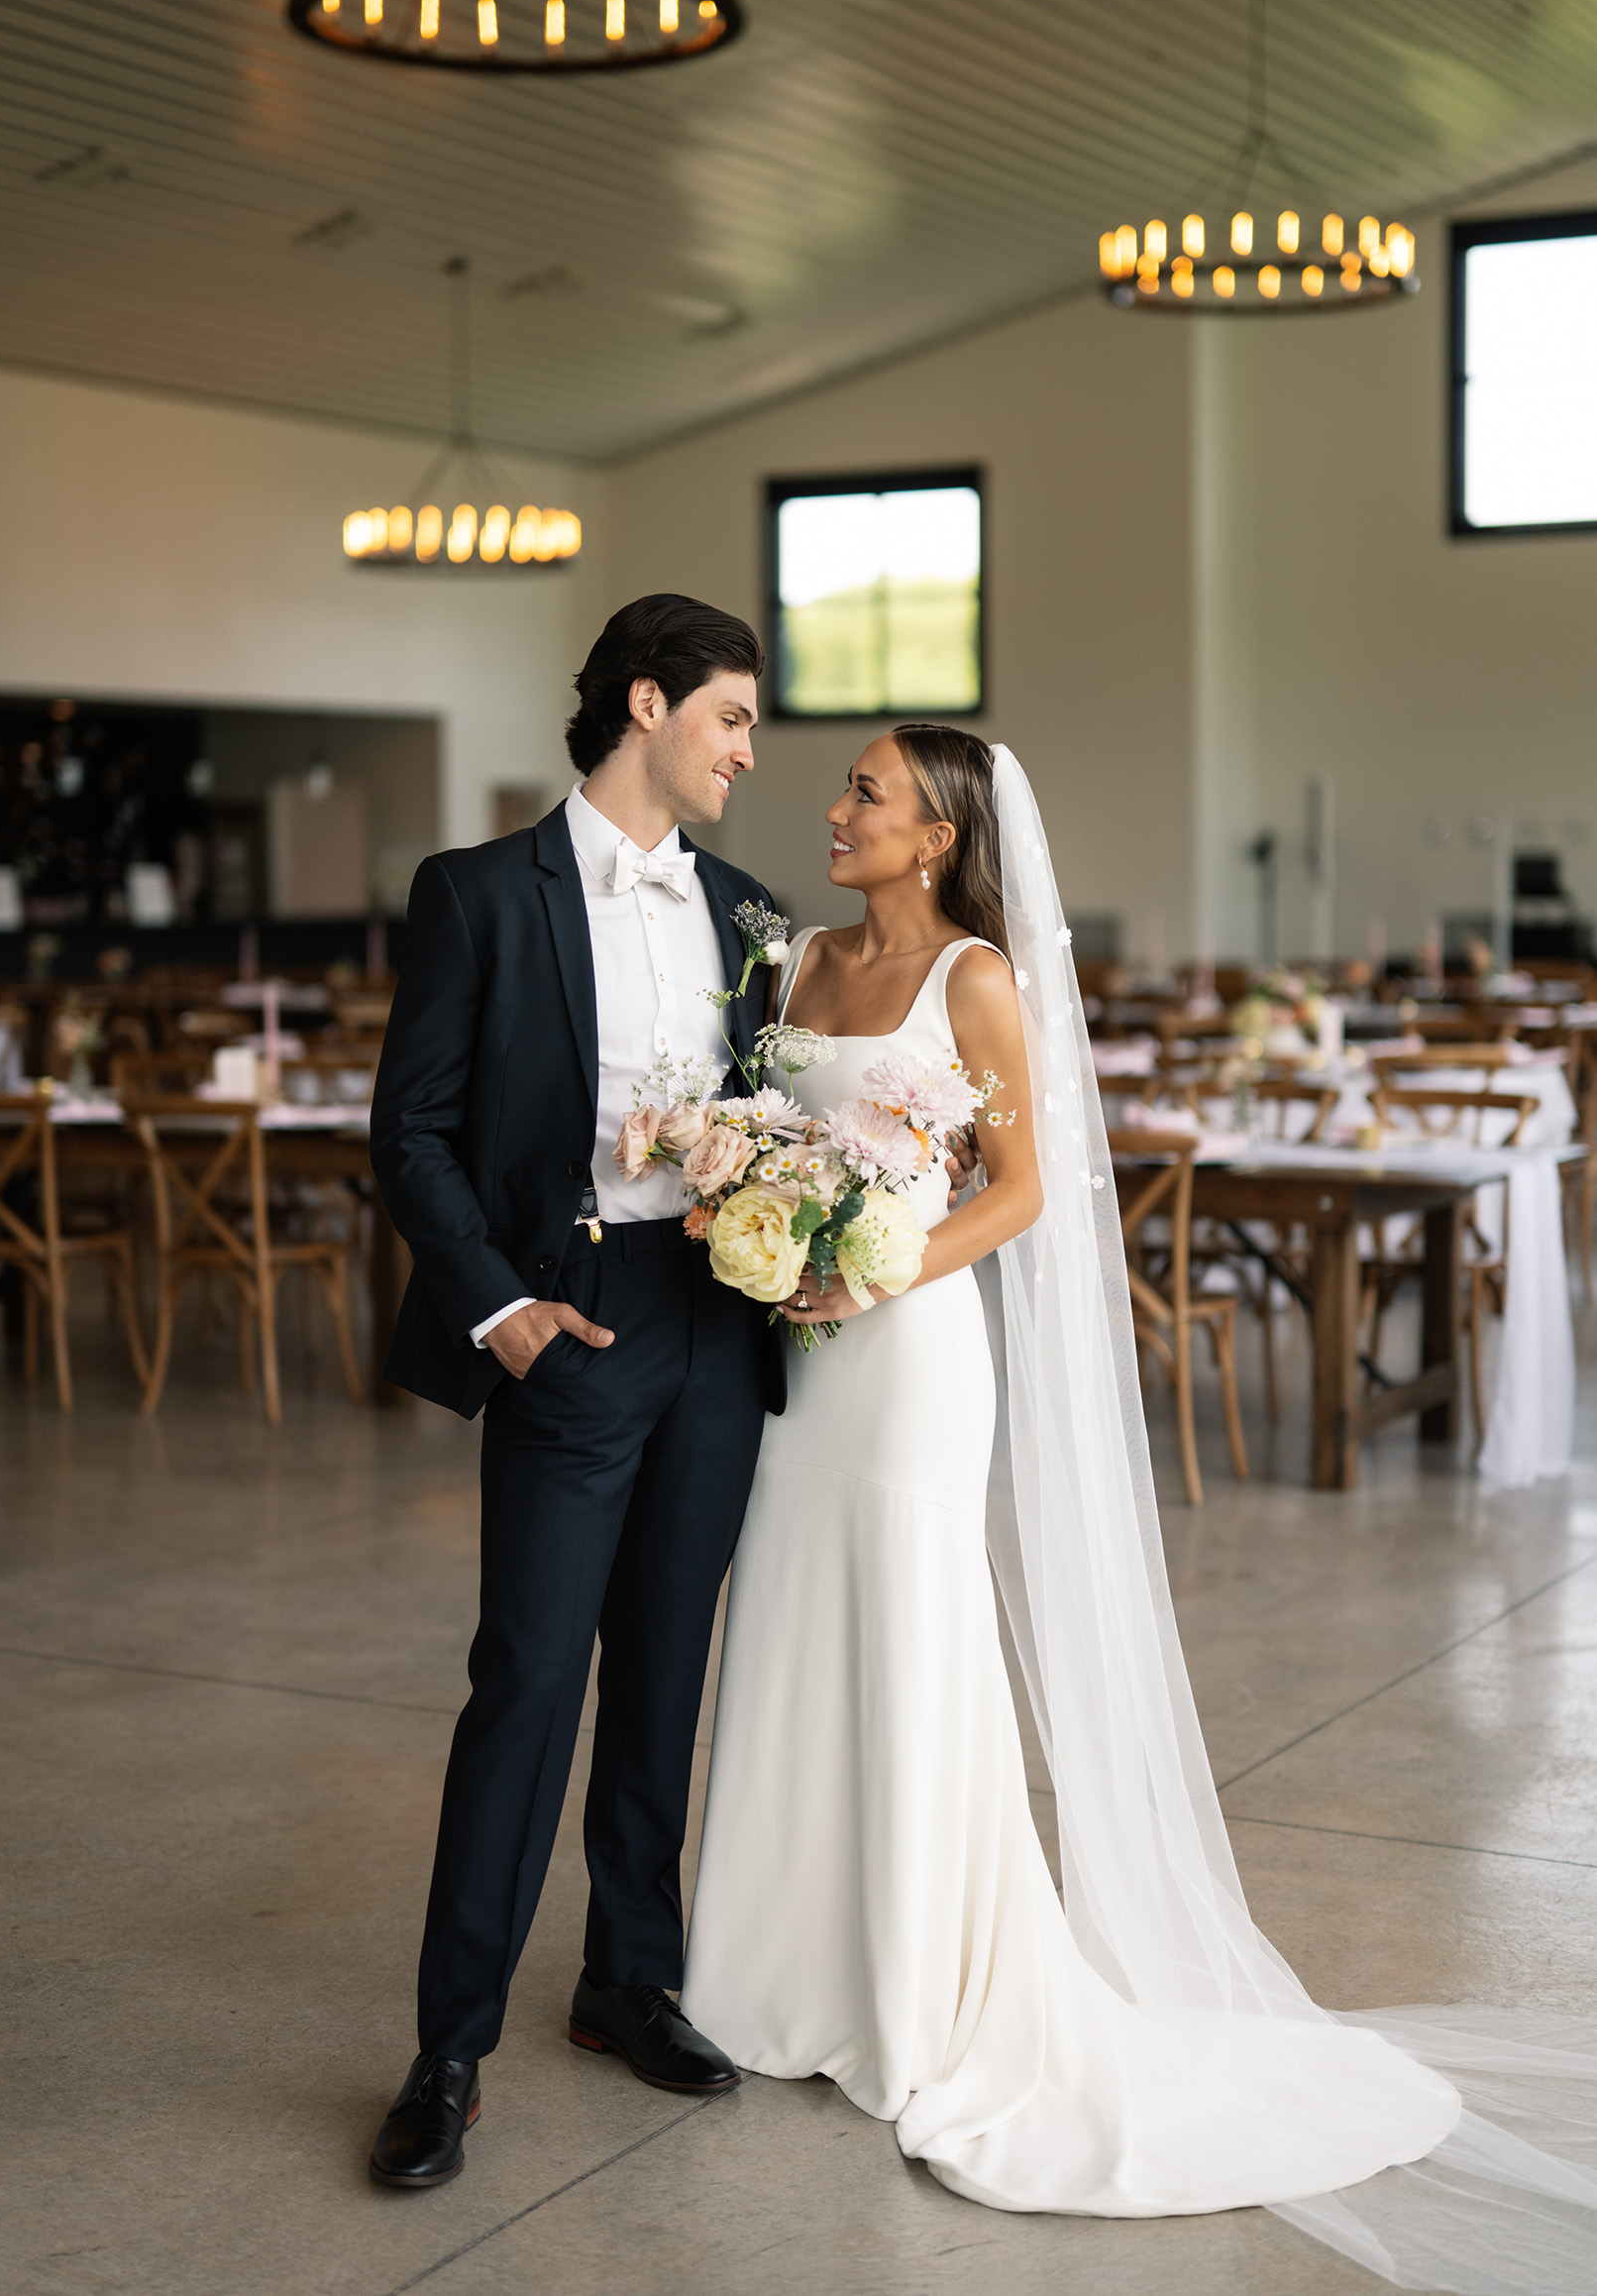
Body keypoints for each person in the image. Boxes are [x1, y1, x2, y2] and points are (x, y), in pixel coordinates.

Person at [683, 724, 1597, 2289]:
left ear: (937, 834)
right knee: (783, 1623)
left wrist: (872, 1262)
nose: (834, 810)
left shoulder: (973, 977)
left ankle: (909, 1992)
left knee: (911, 1645)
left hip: (905, 1357)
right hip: (798, 1360)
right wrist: (743, 1204)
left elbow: (1021, 1190)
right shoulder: (791, 962)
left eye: (867, 796)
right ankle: (767, 1972)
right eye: (841, 786)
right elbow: (764, 1128)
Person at [365, 595, 786, 2190]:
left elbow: (767, 1124)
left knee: (665, 1673)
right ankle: (448, 2051)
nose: (747, 750)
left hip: (713, 1326)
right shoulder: (477, 893)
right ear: (646, 702)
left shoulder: (747, 912)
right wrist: (502, 1309)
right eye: (731, 718)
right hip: (569, 1322)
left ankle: (628, 1980)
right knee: (529, 1682)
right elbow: (411, 1131)